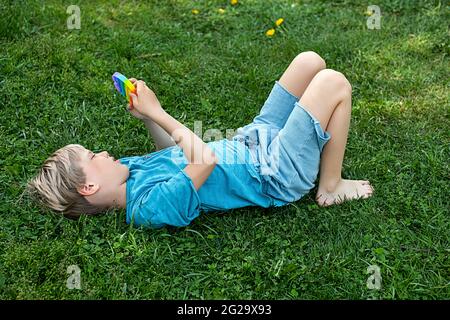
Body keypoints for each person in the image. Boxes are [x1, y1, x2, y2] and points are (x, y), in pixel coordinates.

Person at [26, 51, 374, 228]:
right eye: (92, 156)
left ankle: (321, 167)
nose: (102, 152)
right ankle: (329, 186)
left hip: (251, 140)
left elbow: (172, 153)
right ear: (88, 187)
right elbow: (203, 161)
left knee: (309, 61)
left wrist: (147, 116)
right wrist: (160, 112)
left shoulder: (127, 171)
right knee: (332, 82)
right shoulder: (149, 208)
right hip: (275, 173)